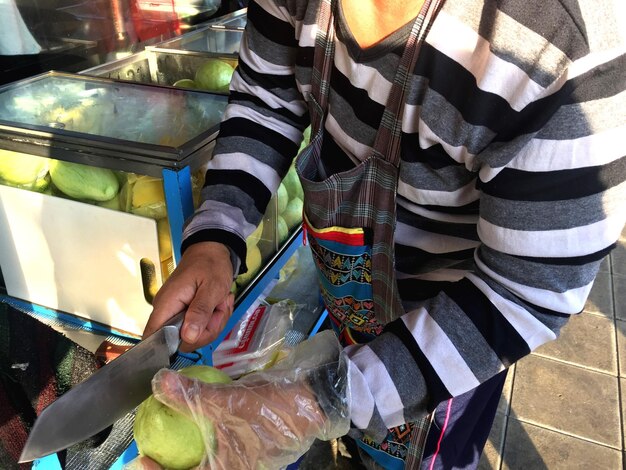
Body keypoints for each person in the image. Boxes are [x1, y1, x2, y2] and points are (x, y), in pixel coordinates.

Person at [140, 0, 626, 468]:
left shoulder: (564, 51)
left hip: (453, 341)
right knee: (360, 437)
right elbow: (266, 100)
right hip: (349, 296)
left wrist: (321, 402)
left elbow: (525, 291)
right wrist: (216, 236)